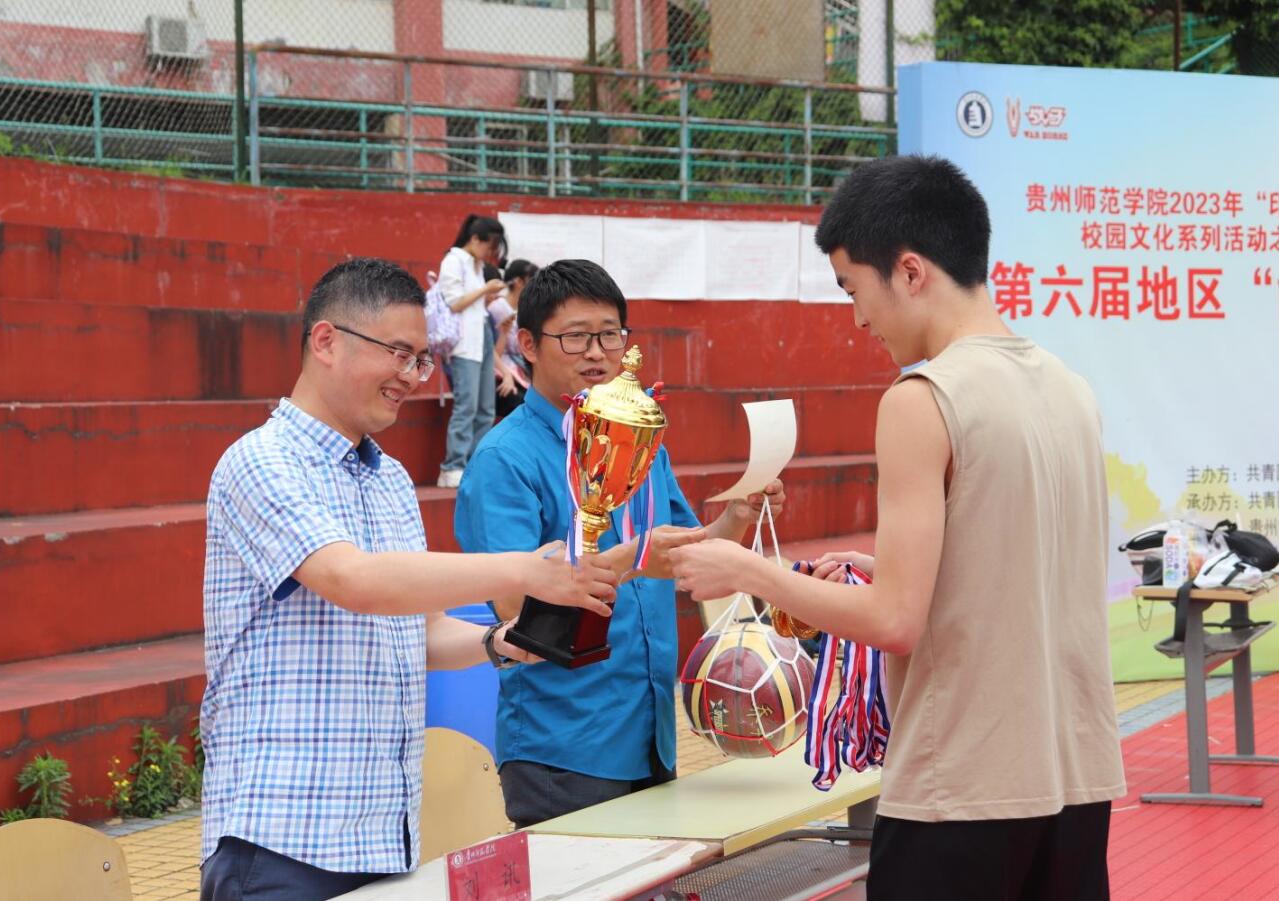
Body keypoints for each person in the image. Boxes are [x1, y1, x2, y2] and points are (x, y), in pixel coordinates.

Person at [670, 156, 1125, 901]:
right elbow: (1017, 573)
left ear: (909, 271)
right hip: (1075, 777)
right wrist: (882, 567)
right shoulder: (1069, 388)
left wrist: (747, 571)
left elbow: (894, 622)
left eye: (853, 289)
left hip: (963, 787)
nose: (857, 318)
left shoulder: (923, 397)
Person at [199, 258, 618, 901]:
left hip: (382, 837)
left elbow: (419, 634)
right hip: (282, 840)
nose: (411, 377)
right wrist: (525, 569)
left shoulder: (389, 479)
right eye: (399, 354)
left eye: (421, 360)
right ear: (326, 341)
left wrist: (499, 643)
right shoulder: (261, 462)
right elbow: (352, 579)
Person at [454, 259, 785, 829]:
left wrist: (738, 515)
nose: (597, 353)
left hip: (649, 731)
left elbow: (685, 553)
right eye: (575, 337)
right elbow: (513, 608)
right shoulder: (504, 460)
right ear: (528, 344)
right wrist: (631, 560)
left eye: (610, 335)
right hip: (563, 746)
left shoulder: (640, 439)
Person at [436, 215, 506, 489]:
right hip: (464, 343)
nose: (490, 253)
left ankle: (474, 464)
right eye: (489, 246)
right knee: (466, 406)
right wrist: (485, 289)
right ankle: (452, 465)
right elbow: (454, 302)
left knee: (486, 409)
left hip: (481, 338)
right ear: (475, 239)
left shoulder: (475, 265)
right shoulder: (453, 260)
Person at [488, 258, 537, 417]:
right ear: (519, 282)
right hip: (500, 371)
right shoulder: (499, 308)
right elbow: (495, 350)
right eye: (531, 281)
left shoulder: (523, 309)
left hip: (518, 369)